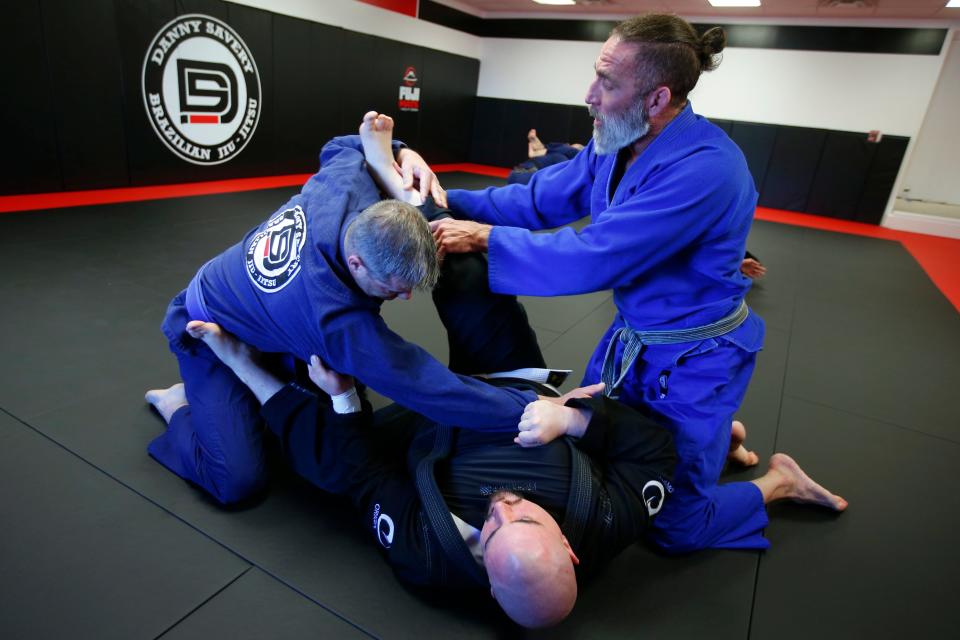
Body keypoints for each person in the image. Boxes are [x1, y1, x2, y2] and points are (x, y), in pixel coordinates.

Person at [428, 14, 846, 553]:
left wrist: (485, 239)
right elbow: (537, 199)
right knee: (602, 453)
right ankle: (721, 443)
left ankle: (779, 480)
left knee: (672, 525)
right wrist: (444, 198)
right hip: (633, 340)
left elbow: (596, 257)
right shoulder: (615, 144)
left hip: (696, 358)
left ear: (656, 98)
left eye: (607, 81)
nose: (590, 95)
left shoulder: (708, 169)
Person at [146, 304, 676, 628]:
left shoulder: (430, 557)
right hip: (514, 386)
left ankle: (225, 380)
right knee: (466, 269)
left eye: (491, 533)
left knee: (329, 470)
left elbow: (368, 480)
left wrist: (345, 400)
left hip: (428, 428)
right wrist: (577, 421)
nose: (503, 507)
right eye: (528, 519)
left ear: (488, 582)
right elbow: (656, 452)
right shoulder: (610, 520)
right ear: (569, 550)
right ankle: (423, 202)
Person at [144, 113, 541, 505]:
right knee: (239, 481)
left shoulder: (348, 188)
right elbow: (430, 388)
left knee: (346, 419)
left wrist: (402, 153)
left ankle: (251, 382)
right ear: (356, 265)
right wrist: (533, 407)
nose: (404, 299)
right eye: (394, 289)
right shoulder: (336, 322)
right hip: (203, 329)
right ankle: (179, 404)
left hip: (266, 316)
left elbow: (345, 144)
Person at [508, 129, 584, 185]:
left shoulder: (559, 155)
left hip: (514, 175)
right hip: (525, 177)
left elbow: (534, 152)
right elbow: (538, 151)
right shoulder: (558, 157)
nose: (568, 144)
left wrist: (533, 140)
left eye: (571, 145)